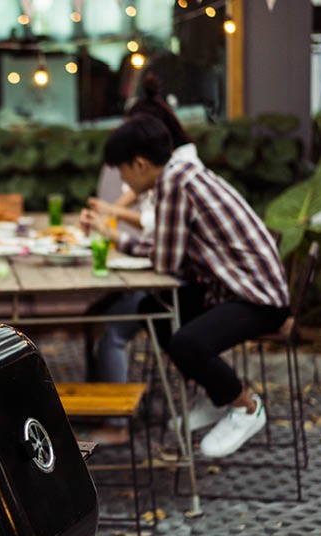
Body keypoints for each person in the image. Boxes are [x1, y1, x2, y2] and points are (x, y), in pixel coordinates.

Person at [98, 114, 289, 458]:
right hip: (234, 290)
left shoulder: (175, 185)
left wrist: (116, 239)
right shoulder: (180, 175)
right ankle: (215, 396)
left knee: (188, 342)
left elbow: (165, 262)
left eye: (122, 172)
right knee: (152, 310)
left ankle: (245, 406)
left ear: (139, 164)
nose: (123, 181)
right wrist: (118, 240)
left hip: (258, 297)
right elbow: (169, 251)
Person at [81, 74, 202, 388]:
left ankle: (116, 423)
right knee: (98, 312)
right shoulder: (168, 168)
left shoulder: (180, 175)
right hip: (169, 273)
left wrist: (113, 221)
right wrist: (109, 211)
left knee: (111, 325)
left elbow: (158, 236)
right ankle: (103, 400)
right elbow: (136, 197)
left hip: (179, 285)